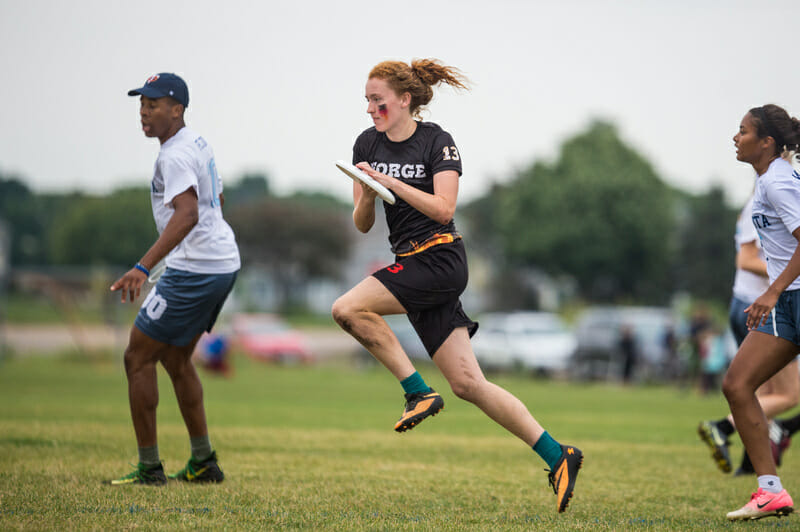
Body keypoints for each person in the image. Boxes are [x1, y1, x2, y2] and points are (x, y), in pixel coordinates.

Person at [330, 59, 582, 513]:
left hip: (441, 259)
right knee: (469, 384)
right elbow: (363, 224)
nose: (370, 109)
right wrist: (367, 192)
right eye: (366, 100)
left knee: (347, 309)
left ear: (404, 100)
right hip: (410, 263)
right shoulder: (365, 143)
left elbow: (444, 209)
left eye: (377, 100)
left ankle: (417, 392)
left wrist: (389, 182)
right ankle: (557, 455)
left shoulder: (437, 141)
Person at [107, 73, 240, 485]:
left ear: (176, 109)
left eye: (153, 104)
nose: (144, 112)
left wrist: (143, 267)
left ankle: (149, 468)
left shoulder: (174, 156)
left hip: (196, 269)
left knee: (137, 356)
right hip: (220, 261)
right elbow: (214, 200)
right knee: (174, 357)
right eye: (141, 105)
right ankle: (203, 462)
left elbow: (188, 214)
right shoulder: (195, 142)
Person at [722, 104, 800, 521]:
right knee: (737, 384)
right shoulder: (769, 180)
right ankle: (770, 492)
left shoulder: (777, 183)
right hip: (789, 303)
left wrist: (771, 291)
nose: (736, 138)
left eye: (743, 131)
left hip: (792, 298)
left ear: (766, 142)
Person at [698, 194, 797, 476]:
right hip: (759, 306)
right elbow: (745, 260)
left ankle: (749, 464)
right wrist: (787, 274)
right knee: (789, 395)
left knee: (760, 392)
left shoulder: (763, 199)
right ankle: (723, 426)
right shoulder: (767, 199)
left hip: (747, 303)